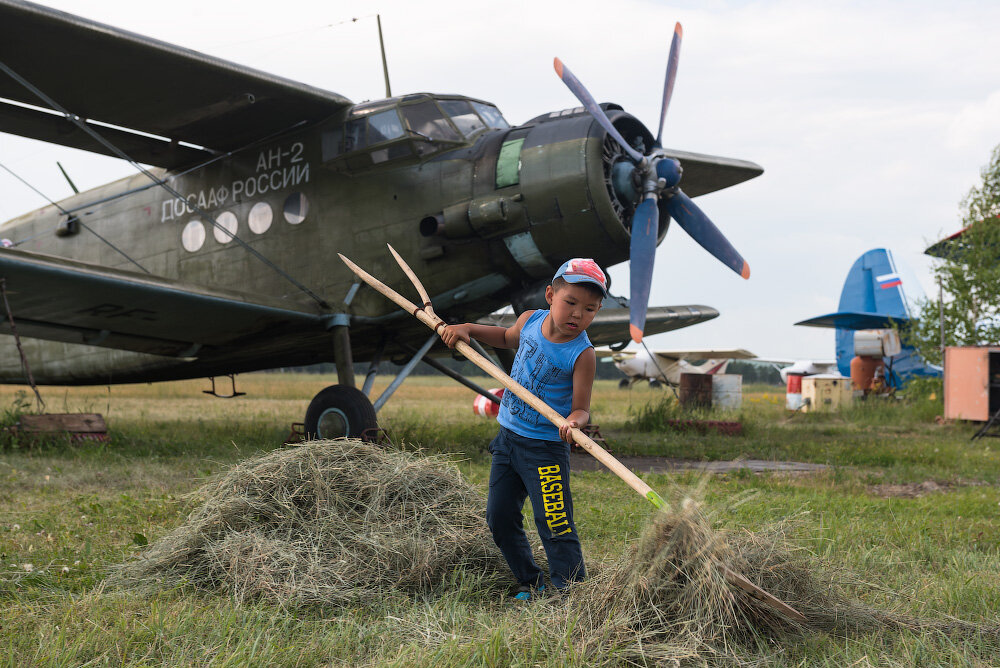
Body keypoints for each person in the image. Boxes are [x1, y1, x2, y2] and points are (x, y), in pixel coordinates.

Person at [440, 258, 606, 600]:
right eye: (570, 303)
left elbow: (581, 408)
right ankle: (531, 581)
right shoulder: (530, 321)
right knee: (499, 517)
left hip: (544, 450)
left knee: (555, 522)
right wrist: (468, 329)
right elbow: (504, 337)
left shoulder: (582, 354)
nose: (577, 314)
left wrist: (574, 422)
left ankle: (569, 592)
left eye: (589, 309)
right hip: (508, 440)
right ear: (550, 295)